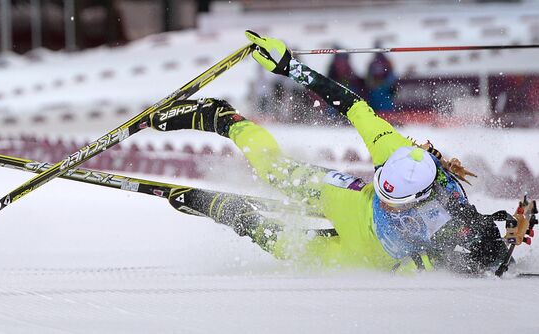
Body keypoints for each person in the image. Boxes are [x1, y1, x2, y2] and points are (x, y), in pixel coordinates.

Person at [148, 31, 517, 275]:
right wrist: (289, 67)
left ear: (421, 198)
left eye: (396, 202)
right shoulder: (396, 152)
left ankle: (227, 211)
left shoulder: (448, 213)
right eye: (385, 193)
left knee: (288, 248)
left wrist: (495, 250)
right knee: (275, 172)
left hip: (366, 257)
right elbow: (351, 105)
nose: (388, 203)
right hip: (352, 202)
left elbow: (479, 246)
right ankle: (223, 119)